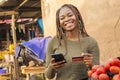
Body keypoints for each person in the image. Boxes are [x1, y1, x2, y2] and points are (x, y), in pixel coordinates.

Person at [45, 4, 100, 80]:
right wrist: (52, 67)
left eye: (70, 15)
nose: (67, 19)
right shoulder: (53, 42)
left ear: (77, 16)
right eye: (62, 18)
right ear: (59, 23)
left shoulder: (91, 42)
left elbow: (97, 74)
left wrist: (91, 65)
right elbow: (48, 75)